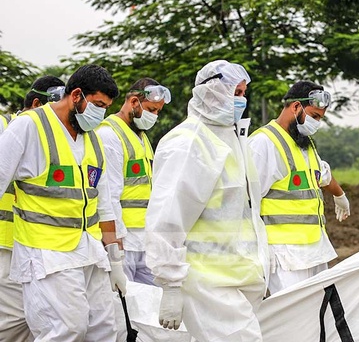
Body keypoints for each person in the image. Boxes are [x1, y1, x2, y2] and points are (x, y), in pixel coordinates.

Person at [0, 64, 127, 341]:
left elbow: (103, 203)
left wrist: (115, 261)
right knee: (65, 331)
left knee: (105, 329)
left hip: (90, 251)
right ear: (76, 95)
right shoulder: (29, 126)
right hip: (46, 253)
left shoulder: (93, 139)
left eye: (105, 108)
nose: (100, 113)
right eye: (97, 105)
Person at [145, 60, 269, 341]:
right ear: (211, 91)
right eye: (235, 93)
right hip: (205, 280)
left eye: (243, 94)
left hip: (237, 276)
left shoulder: (232, 139)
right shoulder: (188, 143)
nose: (241, 101)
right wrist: (171, 284)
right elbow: (167, 219)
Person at [248, 80, 351, 295]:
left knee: (314, 319)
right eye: (314, 116)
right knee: (291, 320)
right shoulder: (263, 144)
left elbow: (322, 174)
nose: (317, 123)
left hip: (313, 252)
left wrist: (339, 195)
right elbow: (246, 200)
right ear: (296, 107)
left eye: (320, 118)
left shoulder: (304, 143)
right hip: (283, 256)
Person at [0, 75, 65, 342]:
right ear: (36, 103)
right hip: (5, 243)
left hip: (31, 245)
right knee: (15, 321)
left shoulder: (48, 138)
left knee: (32, 320)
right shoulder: (7, 129)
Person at [97, 78, 170, 285]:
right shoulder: (109, 135)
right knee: (123, 307)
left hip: (144, 241)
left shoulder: (142, 138)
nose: (154, 116)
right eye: (151, 109)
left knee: (150, 306)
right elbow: (108, 195)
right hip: (123, 242)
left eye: (158, 112)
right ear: (134, 102)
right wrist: (114, 244)